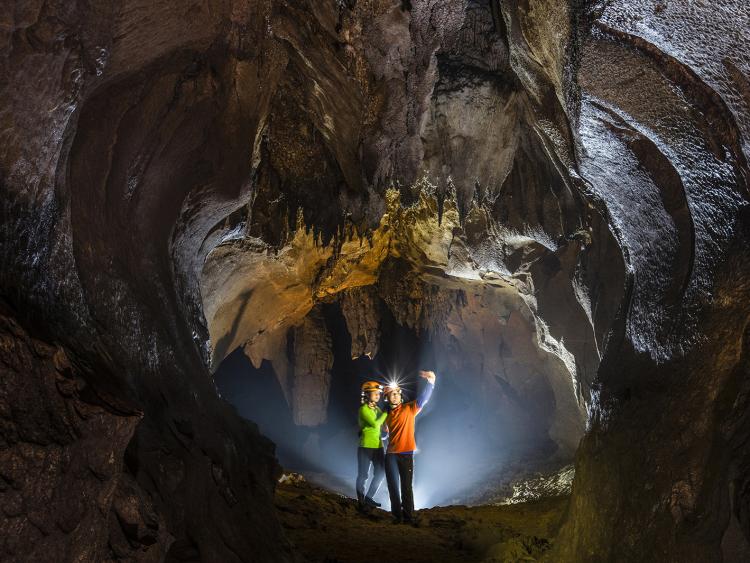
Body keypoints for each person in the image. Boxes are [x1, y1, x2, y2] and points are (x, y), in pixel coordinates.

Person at [383, 370, 436, 525]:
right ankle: (396, 516)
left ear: (401, 395)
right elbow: (385, 434)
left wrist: (431, 381)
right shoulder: (386, 415)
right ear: (387, 398)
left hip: (406, 454)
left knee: (406, 486)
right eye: (392, 394)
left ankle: (408, 516)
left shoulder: (409, 408)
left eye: (397, 393)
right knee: (393, 486)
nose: (396, 396)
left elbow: (424, 399)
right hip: (391, 454)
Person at [356, 380, 387, 512]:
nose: (377, 395)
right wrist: (387, 411)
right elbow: (375, 424)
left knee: (381, 472)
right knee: (363, 475)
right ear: (367, 394)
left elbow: (383, 422)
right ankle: (361, 502)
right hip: (366, 446)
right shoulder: (363, 409)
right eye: (374, 393)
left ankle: (369, 497)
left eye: (378, 393)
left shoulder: (377, 409)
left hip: (378, 446)